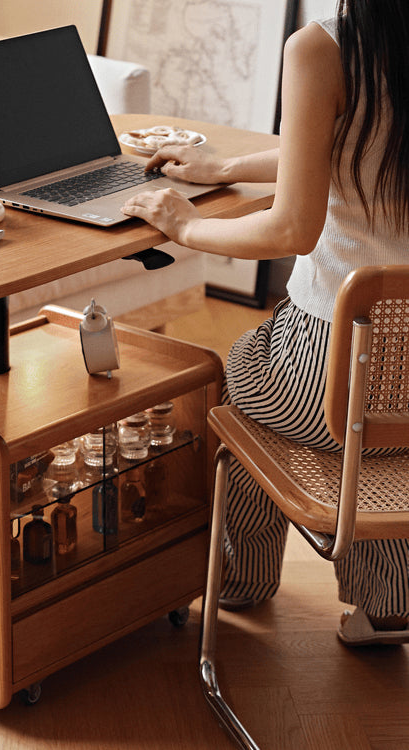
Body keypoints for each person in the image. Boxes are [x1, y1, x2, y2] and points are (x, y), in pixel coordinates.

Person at [121, 0, 409, 645]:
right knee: (378, 442)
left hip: (341, 355)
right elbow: (351, 149)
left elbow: (292, 228)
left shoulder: (325, 50)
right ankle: (386, 601)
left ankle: (240, 578)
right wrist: (222, 168)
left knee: (240, 387)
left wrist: (188, 225)